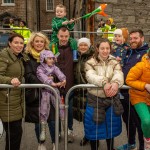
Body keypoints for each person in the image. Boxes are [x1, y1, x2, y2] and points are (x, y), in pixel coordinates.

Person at [84, 38, 124, 150]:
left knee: (110, 127)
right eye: (102, 48)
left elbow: (118, 73)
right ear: (97, 49)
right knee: (93, 128)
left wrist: (116, 84)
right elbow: (91, 76)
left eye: (107, 48)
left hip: (111, 99)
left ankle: (110, 148)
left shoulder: (114, 62)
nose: (105, 51)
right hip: (95, 100)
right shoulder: (90, 62)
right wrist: (104, 83)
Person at [24, 32, 56, 150]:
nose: (39, 43)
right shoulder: (27, 57)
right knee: (38, 122)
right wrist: (45, 80)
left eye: (41, 41)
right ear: (32, 42)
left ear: (45, 43)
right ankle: (41, 143)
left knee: (52, 121)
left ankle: (54, 143)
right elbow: (29, 75)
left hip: (49, 93)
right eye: (37, 41)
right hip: (36, 94)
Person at [119, 29, 149, 150]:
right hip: (125, 93)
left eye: (135, 38)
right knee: (128, 121)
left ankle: (143, 147)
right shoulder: (129, 51)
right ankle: (131, 143)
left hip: (140, 94)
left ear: (142, 38)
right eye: (131, 39)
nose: (132, 41)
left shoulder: (146, 54)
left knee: (141, 124)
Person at [0, 33, 28, 150]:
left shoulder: (20, 56)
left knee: (14, 135)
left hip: (16, 101)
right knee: (14, 135)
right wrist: (10, 80)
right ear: (10, 43)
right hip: (7, 101)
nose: (19, 45)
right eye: (16, 42)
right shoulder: (4, 55)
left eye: (21, 43)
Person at [49, 26, 77, 143]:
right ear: (58, 36)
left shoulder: (73, 48)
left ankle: (69, 130)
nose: (64, 38)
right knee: (56, 111)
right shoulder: (53, 48)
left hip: (70, 85)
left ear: (69, 36)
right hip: (55, 85)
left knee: (69, 110)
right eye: (61, 36)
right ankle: (59, 131)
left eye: (66, 36)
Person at [36, 50, 66, 142]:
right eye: (49, 58)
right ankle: (43, 130)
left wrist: (63, 79)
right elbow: (42, 77)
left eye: (52, 58)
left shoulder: (54, 67)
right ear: (43, 59)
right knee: (44, 109)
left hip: (54, 91)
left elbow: (59, 73)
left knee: (60, 107)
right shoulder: (39, 68)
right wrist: (52, 83)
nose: (51, 60)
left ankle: (64, 126)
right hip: (45, 91)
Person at [126, 51, 150, 150]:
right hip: (139, 97)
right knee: (146, 121)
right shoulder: (141, 65)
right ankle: (147, 140)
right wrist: (145, 85)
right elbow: (128, 80)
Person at [73, 37, 94, 146]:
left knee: (92, 117)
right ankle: (87, 136)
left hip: (90, 91)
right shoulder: (75, 56)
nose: (83, 47)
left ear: (89, 46)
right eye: (81, 45)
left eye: (85, 45)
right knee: (85, 117)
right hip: (79, 91)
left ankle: (94, 138)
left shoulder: (93, 56)